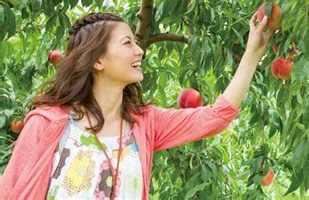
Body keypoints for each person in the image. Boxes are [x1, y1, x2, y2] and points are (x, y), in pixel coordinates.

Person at [0, 11, 270, 199]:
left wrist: (252, 54)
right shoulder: (48, 124)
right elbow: (8, 191)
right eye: (127, 43)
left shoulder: (145, 124)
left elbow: (217, 116)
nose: (139, 50)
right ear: (98, 60)